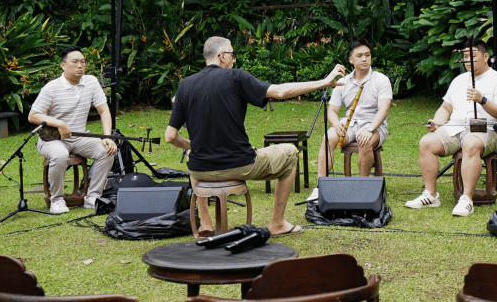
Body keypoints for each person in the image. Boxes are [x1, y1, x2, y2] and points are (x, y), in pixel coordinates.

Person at [165, 36, 346, 237]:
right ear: (222, 56)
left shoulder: (186, 86)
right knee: (291, 152)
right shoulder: (236, 77)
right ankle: (277, 223)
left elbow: (170, 136)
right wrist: (323, 83)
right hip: (240, 165)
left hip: (201, 171)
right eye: (232, 55)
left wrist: (190, 144)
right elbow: (278, 92)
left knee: (193, 156)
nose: (234, 60)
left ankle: (206, 224)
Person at [408, 40, 497, 217]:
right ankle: (431, 194)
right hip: (456, 127)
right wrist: (437, 122)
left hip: (488, 129)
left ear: (486, 57)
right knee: (426, 142)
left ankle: (466, 199)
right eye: (465, 57)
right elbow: (445, 108)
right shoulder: (459, 80)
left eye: (472, 56)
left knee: (471, 143)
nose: (467, 61)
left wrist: (483, 100)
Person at [28, 46, 118, 215]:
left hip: (79, 137)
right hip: (51, 139)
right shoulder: (51, 88)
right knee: (60, 154)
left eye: (83, 62)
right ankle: (57, 200)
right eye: (75, 62)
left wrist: (107, 137)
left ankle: (92, 197)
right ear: (63, 65)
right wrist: (58, 123)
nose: (80, 66)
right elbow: (33, 116)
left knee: (108, 150)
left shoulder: (91, 82)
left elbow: (104, 111)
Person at [307, 40, 393, 202]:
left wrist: (370, 129)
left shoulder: (381, 80)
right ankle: (320, 187)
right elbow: (332, 111)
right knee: (328, 137)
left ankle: (363, 187)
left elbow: (384, 109)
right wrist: (336, 124)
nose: (364, 59)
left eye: (367, 55)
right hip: (349, 124)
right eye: (359, 56)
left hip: (374, 126)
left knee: (364, 140)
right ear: (351, 60)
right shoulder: (343, 81)